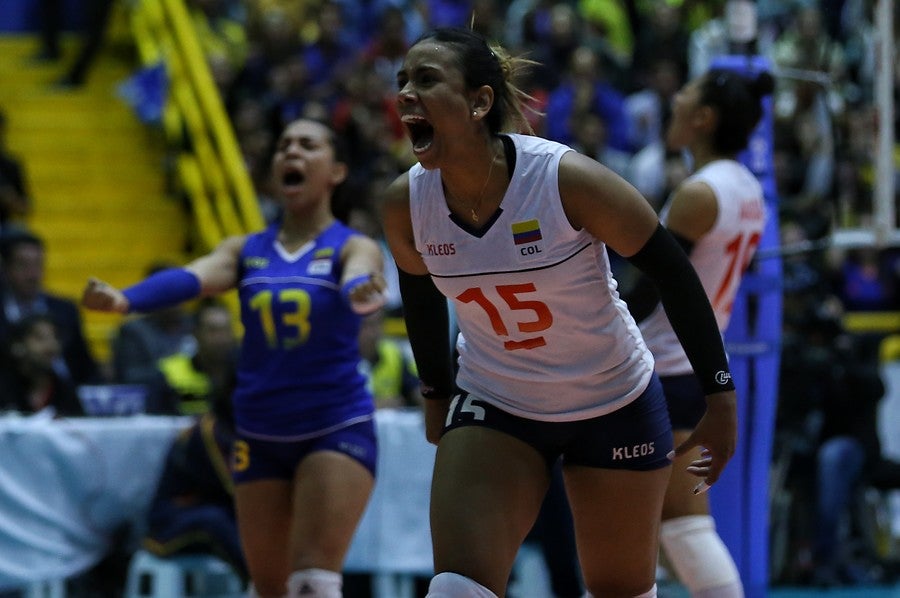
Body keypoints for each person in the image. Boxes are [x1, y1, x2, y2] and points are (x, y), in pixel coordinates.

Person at [380, 27, 738, 598]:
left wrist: (719, 396)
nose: (405, 94)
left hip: (613, 399)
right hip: (498, 399)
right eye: (402, 81)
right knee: (454, 590)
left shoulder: (561, 178)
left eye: (425, 80)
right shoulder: (405, 202)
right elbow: (420, 294)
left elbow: (672, 270)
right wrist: (434, 392)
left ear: (480, 102)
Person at [81, 117, 387, 598]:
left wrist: (361, 292)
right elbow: (194, 275)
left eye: (308, 145)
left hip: (333, 424)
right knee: (267, 588)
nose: (291, 153)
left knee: (312, 581)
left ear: (337, 171)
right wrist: (126, 299)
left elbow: (362, 275)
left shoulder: (352, 245)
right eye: (284, 144)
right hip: (258, 431)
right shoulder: (246, 249)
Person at [625, 67, 774, 597]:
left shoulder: (698, 193)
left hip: (659, 367)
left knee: (660, 529)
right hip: (689, 365)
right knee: (677, 526)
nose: (676, 102)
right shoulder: (748, 188)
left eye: (684, 95)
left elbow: (648, 292)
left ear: (704, 118)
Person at [142, 378, 248, 584]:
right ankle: (266, 586)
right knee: (217, 521)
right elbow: (235, 489)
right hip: (171, 520)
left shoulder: (243, 428)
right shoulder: (209, 430)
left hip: (216, 508)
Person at [0, 228, 100, 386]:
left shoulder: (65, 310)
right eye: (23, 265)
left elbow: (86, 367)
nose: (33, 275)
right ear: (5, 268)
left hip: (66, 398)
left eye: (38, 265)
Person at [110, 261, 197, 388]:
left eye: (181, 292)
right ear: (153, 296)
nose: (178, 300)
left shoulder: (195, 324)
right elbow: (129, 376)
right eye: (170, 293)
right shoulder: (133, 331)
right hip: (157, 402)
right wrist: (172, 369)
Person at [149, 298, 239, 416]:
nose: (221, 338)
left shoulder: (247, 374)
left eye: (226, 329)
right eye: (213, 330)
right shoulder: (169, 373)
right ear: (195, 333)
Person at [0, 313, 83, 417]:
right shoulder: (4, 387)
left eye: (55, 337)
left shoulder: (64, 390)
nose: (51, 346)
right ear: (17, 346)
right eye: (40, 338)